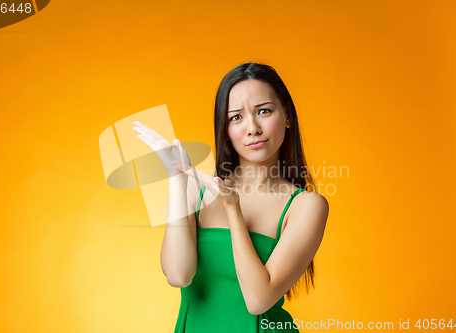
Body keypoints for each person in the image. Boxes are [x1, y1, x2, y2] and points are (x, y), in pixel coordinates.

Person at [132, 62, 329, 332]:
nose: (252, 128)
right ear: (225, 129)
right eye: (236, 117)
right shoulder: (196, 192)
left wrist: (233, 210)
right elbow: (179, 275)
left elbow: (258, 300)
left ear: (287, 116)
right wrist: (177, 180)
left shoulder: (305, 206)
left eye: (264, 111)